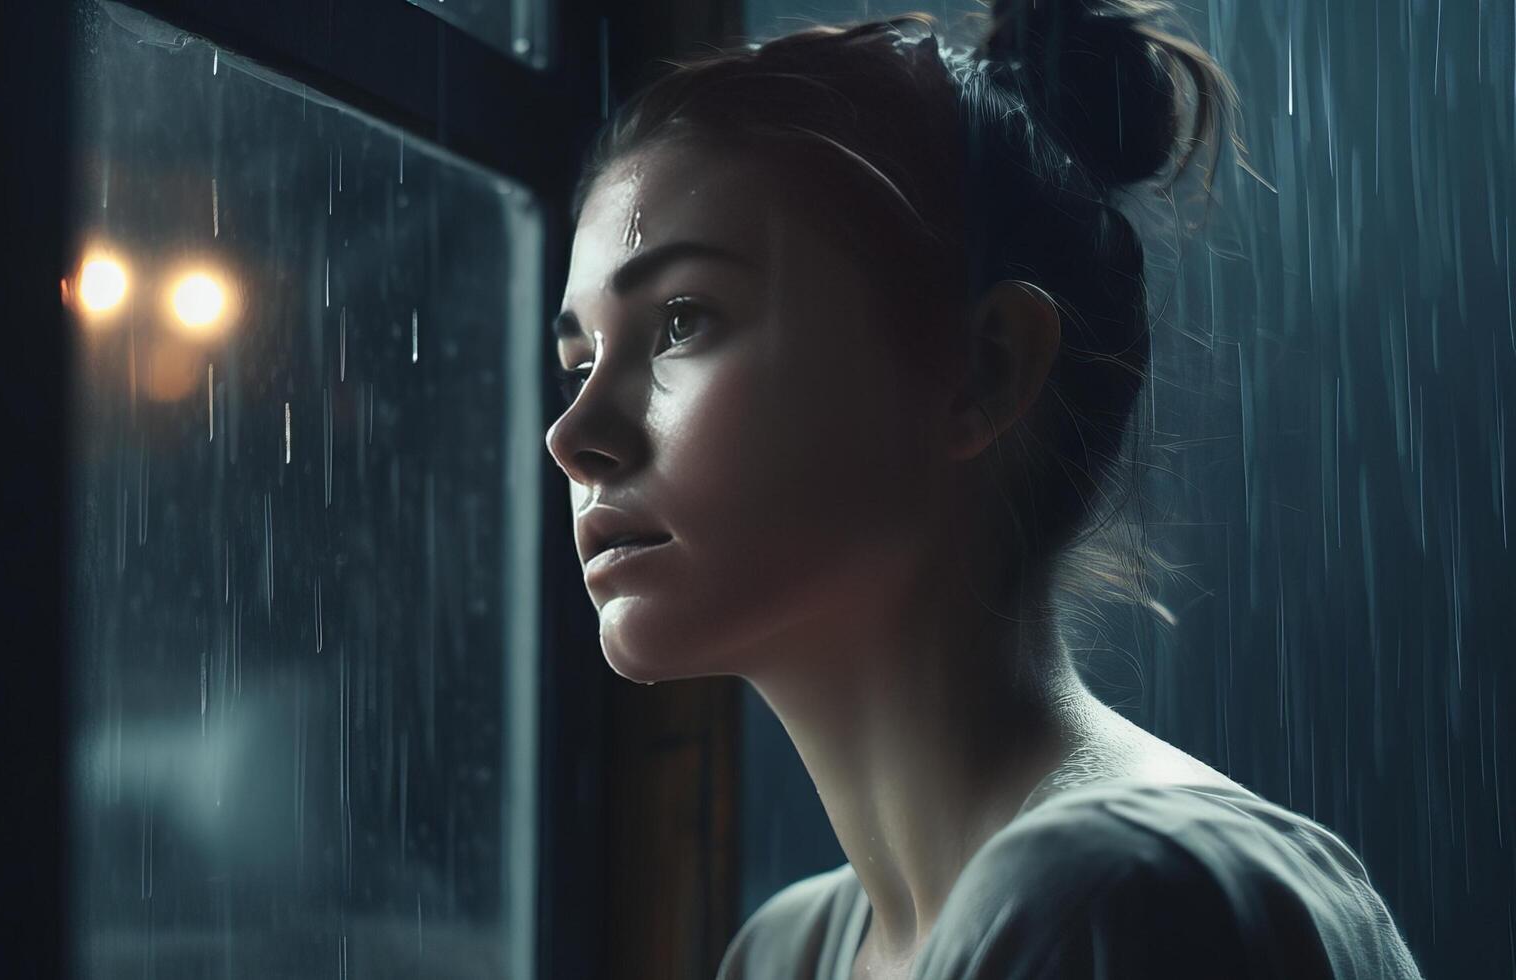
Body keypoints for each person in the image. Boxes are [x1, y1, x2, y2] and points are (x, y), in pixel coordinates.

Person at [542, 1, 1427, 977]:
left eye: (680, 320)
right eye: (578, 360)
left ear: (984, 366)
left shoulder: (1109, 900)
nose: (573, 435)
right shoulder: (787, 949)